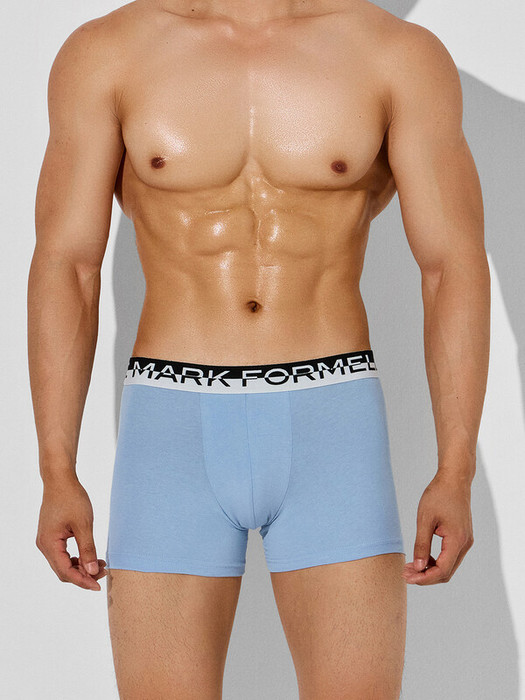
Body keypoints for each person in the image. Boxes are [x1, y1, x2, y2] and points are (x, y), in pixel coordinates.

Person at [28, 0, 490, 697]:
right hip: (171, 427)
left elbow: (451, 268)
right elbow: (68, 266)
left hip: (331, 423)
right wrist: (55, 468)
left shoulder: (396, 55)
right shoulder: (108, 52)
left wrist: (455, 469)